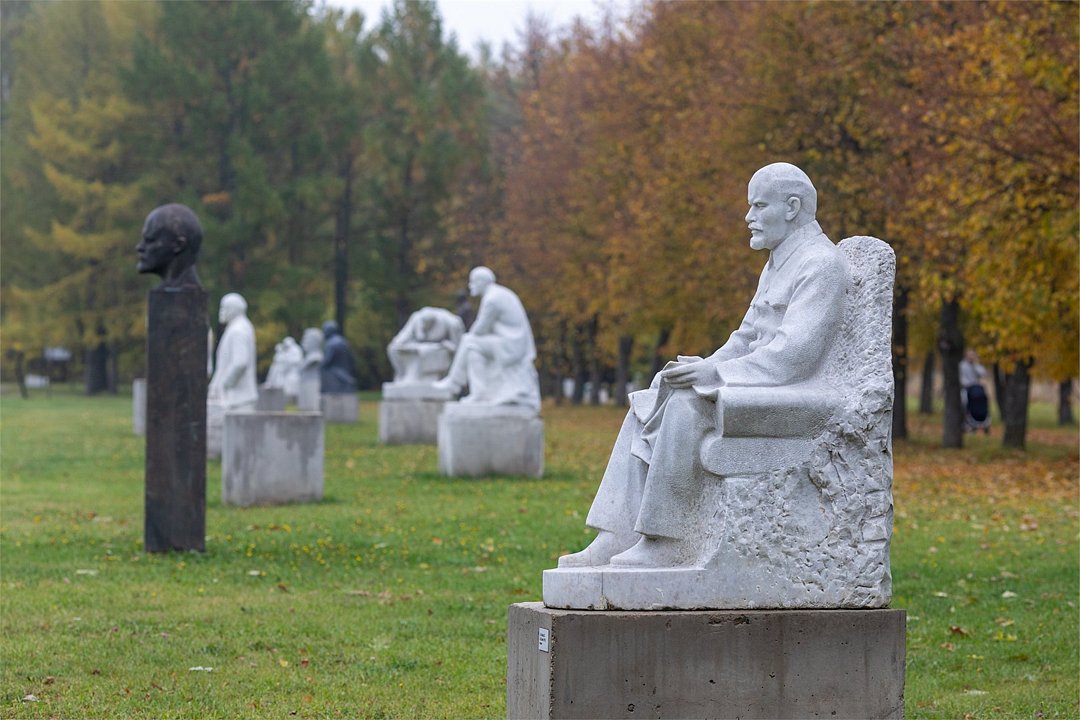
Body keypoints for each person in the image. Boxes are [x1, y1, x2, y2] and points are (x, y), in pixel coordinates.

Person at [559, 163, 850, 569]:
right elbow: (745, 338)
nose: (748, 217)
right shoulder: (779, 261)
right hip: (764, 384)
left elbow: (793, 356)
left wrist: (716, 376)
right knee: (655, 393)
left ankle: (667, 539)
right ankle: (617, 533)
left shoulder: (820, 263)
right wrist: (707, 365)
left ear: (792, 207)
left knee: (686, 406)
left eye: (759, 206)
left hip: (797, 394)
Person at [434, 267, 541, 411]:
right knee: (473, 351)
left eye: (472, 282)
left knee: (468, 341)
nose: (470, 286)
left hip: (510, 346)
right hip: (512, 343)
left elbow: (480, 329)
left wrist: (470, 335)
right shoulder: (501, 293)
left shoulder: (492, 299)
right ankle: (479, 394)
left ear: (481, 281)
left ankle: (453, 383)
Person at [387, 307, 465, 384]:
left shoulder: (451, 322)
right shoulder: (416, 319)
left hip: (441, 353)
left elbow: (460, 349)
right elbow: (401, 339)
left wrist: (449, 347)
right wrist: (397, 345)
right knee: (393, 349)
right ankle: (404, 377)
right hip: (419, 351)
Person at [207, 293, 258, 410]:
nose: (221, 312)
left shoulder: (238, 330)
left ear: (234, 309)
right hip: (237, 398)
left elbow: (240, 362)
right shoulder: (239, 327)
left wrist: (223, 385)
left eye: (224, 307)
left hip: (237, 399)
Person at [136, 204, 203, 289]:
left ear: (178, 245)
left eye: (150, 240)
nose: (140, 247)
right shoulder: (164, 291)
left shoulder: (186, 293)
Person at [320, 320, 359, 393]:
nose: (323, 333)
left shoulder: (330, 344)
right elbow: (352, 359)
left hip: (336, 373)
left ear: (328, 331)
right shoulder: (343, 341)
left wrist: (319, 367)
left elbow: (326, 361)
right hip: (346, 371)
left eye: (324, 330)